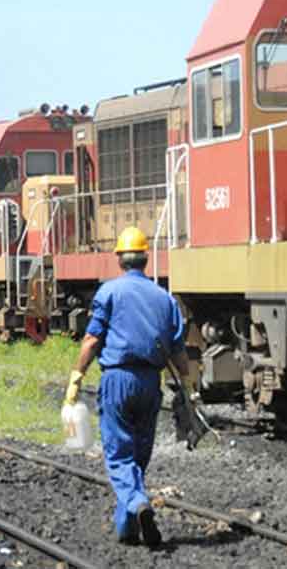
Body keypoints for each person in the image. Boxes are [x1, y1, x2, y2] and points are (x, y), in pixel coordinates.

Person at [63, 226, 199, 546]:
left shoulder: (109, 293)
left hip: (117, 380)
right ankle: (128, 528)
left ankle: (139, 505)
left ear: (120, 260)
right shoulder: (164, 298)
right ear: (146, 260)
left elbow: (92, 339)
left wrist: (76, 379)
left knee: (119, 456)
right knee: (138, 455)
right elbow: (179, 351)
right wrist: (188, 386)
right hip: (150, 383)